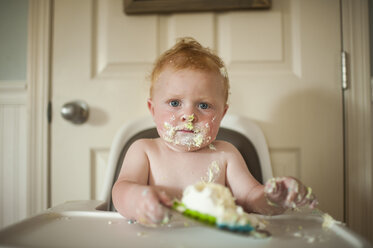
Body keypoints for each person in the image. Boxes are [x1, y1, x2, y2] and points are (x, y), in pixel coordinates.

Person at [112, 37, 317, 225]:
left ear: (222, 113)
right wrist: (138, 199)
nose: (189, 115)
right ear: (153, 109)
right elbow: (121, 191)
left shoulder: (225, 155)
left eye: (203, 106)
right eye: (174, 102)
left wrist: (274, 197)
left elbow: (251, 197)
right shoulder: (144, 151)